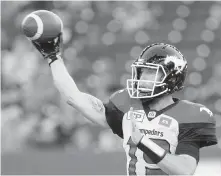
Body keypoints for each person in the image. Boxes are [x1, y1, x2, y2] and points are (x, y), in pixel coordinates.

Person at [30, 33, 217, 175]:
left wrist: (143, 141)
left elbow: (185, 170)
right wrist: (53, 57)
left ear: (171, 78)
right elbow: (73, 97)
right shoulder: (126, 106)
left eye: (152, 73)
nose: (143, 79)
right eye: (142, 72)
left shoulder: (190, 116)